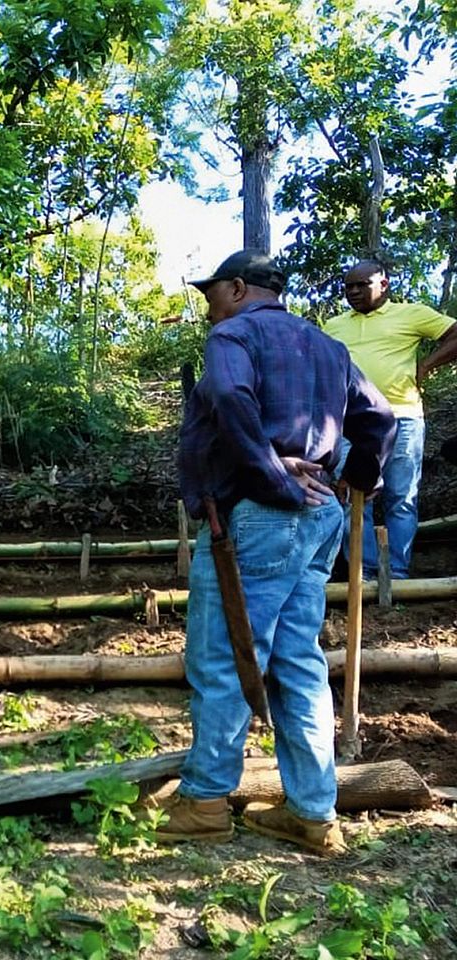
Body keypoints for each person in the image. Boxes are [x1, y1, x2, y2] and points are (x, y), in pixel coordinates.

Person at [158, 250, 395, 856]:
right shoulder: (327, 347)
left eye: (213, 293)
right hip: (321, 518)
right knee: (296, 660)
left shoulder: (232, 336)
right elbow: (380, 418)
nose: (209, 307)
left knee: (225, 655)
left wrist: (269, 474)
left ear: (238, 289)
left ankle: (207, 801)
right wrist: (360, 473)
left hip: (261, 518)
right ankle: (314, 814)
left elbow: (235, 401)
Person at [324, 260, 457, 579]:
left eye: (361, 285)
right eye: (348, 287)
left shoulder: (412, 314)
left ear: (383, 284)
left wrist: (426, 365)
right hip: (349, 423)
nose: (353, 292)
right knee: (353, 495)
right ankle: (365, 572)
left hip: (403, 416)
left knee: (402, 497)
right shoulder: (334, 326)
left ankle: (396, 572)